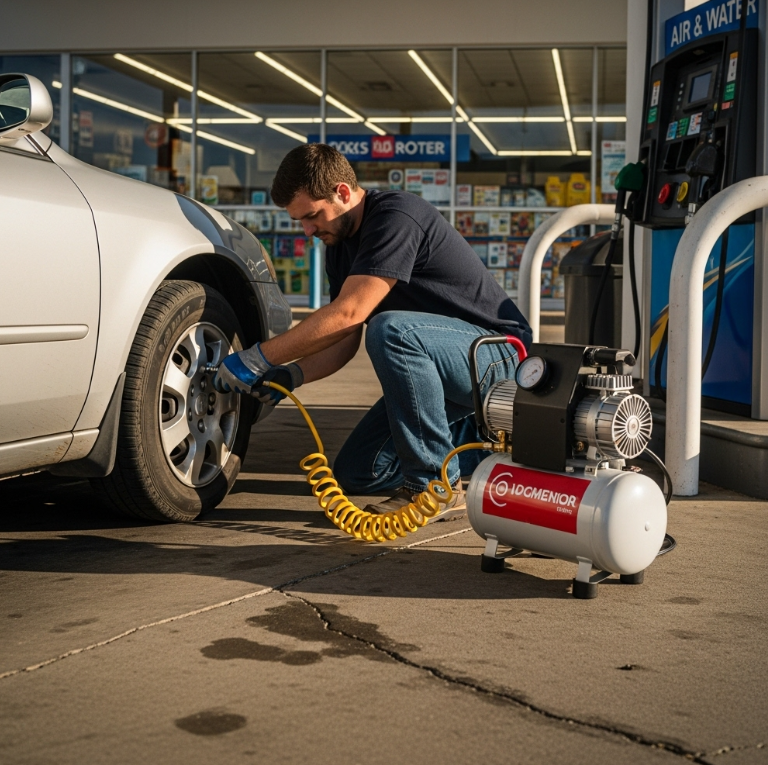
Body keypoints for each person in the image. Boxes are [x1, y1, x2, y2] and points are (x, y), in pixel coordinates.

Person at [214, 143, 531, 518]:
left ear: (342, 193)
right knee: (358, 472)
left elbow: (350, 314)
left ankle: (432, 486)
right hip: (444, 364)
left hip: (498, 357)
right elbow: (342, 339)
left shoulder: (397, 216)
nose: (308, 229)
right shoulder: (340, 247)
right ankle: (486, 454)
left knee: (389, 330)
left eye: (313, 215)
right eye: (300, 220)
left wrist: (256, 358)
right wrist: (290, 373)